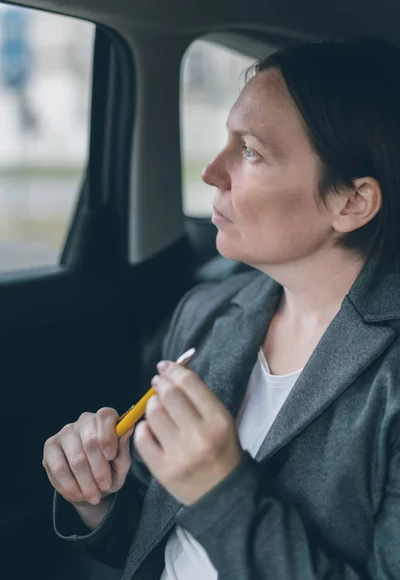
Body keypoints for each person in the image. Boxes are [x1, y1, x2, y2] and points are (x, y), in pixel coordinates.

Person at [43, 36, 400, 579]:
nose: (212, 170)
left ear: (351, 202)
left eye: (251, 151)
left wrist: (221, 491)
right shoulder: (205, 315)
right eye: (226, 143)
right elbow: (165, 541)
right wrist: (98, 500)